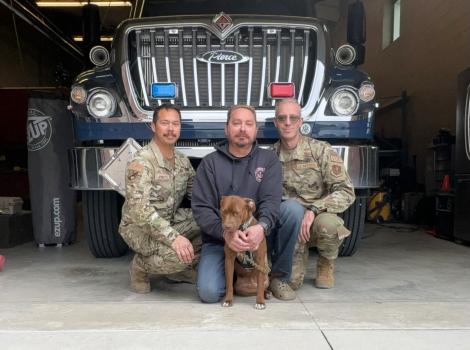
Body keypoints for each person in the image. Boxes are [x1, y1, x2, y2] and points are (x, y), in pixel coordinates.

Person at [191, 105, 299, 303]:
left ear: (255, 129)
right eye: (236, 123)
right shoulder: (210, 163)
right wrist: (225, 234)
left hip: (257, 236)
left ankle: (277, 277)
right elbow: (201, 209)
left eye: (249, 124)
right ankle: (234, 275)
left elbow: (271, 201)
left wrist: (261, 227)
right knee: (208, 292)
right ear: (226, 128)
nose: (242, 129)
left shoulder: (269, 160)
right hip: (219, 239)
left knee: (292, 210)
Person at [272, 98, 355, 289]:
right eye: (282, 118)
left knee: (330, 225)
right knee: (290, 283)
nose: (287, 122)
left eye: (293, 118)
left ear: (301, 122)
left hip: (317, 219)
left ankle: (326, 262)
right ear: (275, 122)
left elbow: (345, 190)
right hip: (290, 223)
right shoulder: (270, 156)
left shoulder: (321, 150)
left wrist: (314, 210)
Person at [119, 104, 201, 293]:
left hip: (169, 221)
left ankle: (176, 272)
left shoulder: (182, 161)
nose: (171, 129)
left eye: (175, 124)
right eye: (165, 123)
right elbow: (140, 211)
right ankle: (140, 266)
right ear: (154, 126)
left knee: (211, 223)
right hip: (139, 229)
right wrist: (174, 239)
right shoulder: (141, 161)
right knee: (178, 257)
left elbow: (197, 196)